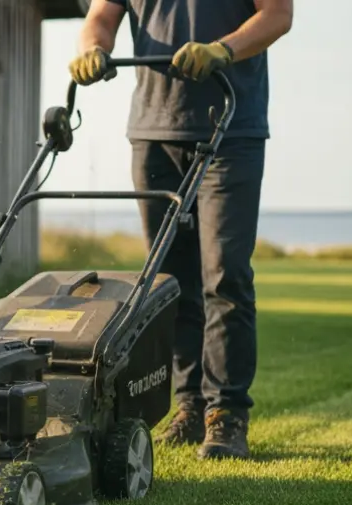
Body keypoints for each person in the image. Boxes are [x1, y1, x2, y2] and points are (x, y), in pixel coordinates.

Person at [69, 0, 293, 459]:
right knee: (169, 283)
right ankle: (188, 406)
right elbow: (102, 17)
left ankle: (226, 414)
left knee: (225, 273)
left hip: (230, 128)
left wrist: (223, 50)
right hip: (154, 132)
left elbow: (278, 14)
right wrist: (93, 47)